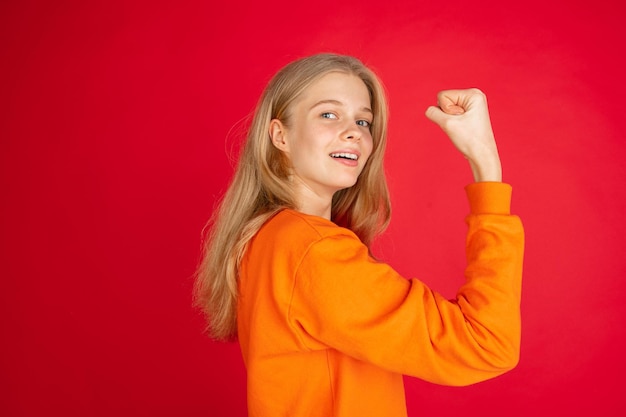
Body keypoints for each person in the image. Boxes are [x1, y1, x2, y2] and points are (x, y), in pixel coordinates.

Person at [194, 53, 524, 417]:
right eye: (328, 114)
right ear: (279, 135)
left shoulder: (268, 238)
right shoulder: (313, 251)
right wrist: (486, 164)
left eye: (363, 120)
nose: (353, 131)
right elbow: (486, 344)